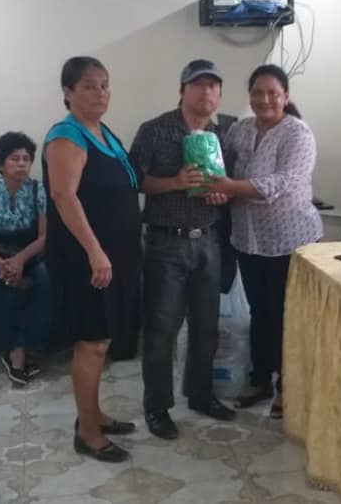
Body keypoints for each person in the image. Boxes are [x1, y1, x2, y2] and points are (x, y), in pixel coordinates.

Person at [208, 64, 323, 419]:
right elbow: (220, 164)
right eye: (257, 93)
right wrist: (213, 183)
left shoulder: (298, 133)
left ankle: (289, 387)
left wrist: (230, 187)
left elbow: (284, 182)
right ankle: (260, 379)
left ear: (285, 97)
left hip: (291, 241)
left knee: (288, 315)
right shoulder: (240, 130)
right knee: (260, 313)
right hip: (248, 240)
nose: (265, 99)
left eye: (273, 93)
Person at [130, 59, 235, 441]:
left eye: (213, 86)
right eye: (198, 84)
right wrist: (174, 182)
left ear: (219, 95)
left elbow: (231, 183)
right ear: (182, 90)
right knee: (162, 330)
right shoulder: (155, 130)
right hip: (165, 243)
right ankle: (157, 407)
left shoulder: (226, 133)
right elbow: (135, 180)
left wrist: (224, 193)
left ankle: (200, 394)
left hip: (208, 240)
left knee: (207, 327)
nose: (206, 91)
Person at [43, 56, 141, 463]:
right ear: (68, 93)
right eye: (88, 86)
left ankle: (94, 414)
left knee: (103, 339)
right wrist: (96, 251)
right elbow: (64, 196)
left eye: (104, 84)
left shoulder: (103, 132)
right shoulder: (66, 135)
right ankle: (87, 432)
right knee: (93, 343)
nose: (100, 92)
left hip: (114, 256)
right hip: (86, 258)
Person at [0, 132, 52, 385]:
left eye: (26, 159)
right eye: (14, 158)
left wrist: (20, 259)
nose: (21, 164)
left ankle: (30, 343)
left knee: (47, 277)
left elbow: (45, 236)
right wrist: (0, 262)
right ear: (0, 164)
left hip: (32, 251)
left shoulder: (40, 191)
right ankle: (13, 348)